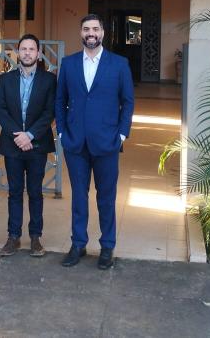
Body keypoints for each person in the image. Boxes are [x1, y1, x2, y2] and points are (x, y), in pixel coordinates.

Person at [55, 14, 134, 269]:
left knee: (106, 198)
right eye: (87, 29)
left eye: (96, 29)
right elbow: (60, 100)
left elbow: (128, 102)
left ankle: (107, 247)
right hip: (75, 144)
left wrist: (121, 134)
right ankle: (78, 244)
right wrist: (62, 133)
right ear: (81, 33)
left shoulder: (119, 64)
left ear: (103, 32)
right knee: (79, 196)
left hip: (107, 143)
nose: (91, 33)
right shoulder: (68, 64)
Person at [0, 34, 56, 257]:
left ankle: (35, 238)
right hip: (12, 145)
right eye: (24, 49)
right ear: (18, 53)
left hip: (37, 144)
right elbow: (0, 110)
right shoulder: (5, 79)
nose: (28, 53)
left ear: (38, 53)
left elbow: (50, 111)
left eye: (32, 49)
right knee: (14, 192)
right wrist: (18, 136)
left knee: (35, 192)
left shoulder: (49, 80)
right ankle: (13, 237)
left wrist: (30, 135)